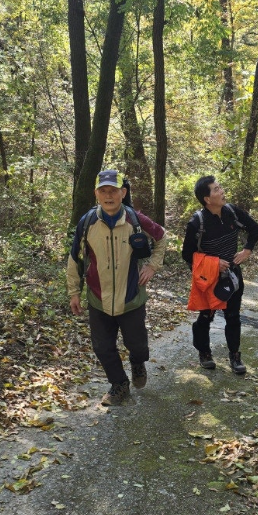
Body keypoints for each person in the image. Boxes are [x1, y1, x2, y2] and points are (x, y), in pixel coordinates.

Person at [67, 169, 167, 406]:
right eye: (103, 191)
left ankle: (137, 363)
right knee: (102, 347)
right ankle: (119, 384)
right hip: (98, 297)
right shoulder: (87, 222)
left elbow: (162, 236)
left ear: (123, 192)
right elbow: (75, 258)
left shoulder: (135, 220)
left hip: (131, 296)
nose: (108, 195)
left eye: (113, 190)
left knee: (138, 345)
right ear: (96, 194)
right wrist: (74, 292)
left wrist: (152, 266)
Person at [181, 176, 258, 374]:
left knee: (233, 317)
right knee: (206, 317)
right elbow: (187, 254)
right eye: (216, 189)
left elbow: (254, 228)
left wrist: (247, 250)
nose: (222, 191)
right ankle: (204, 352)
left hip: (232, 276)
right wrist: (213, 264)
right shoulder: (197, 222)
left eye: (220, 187)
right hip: (209, 280)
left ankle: (235, 355)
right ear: (207, 199)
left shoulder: (231, 212)